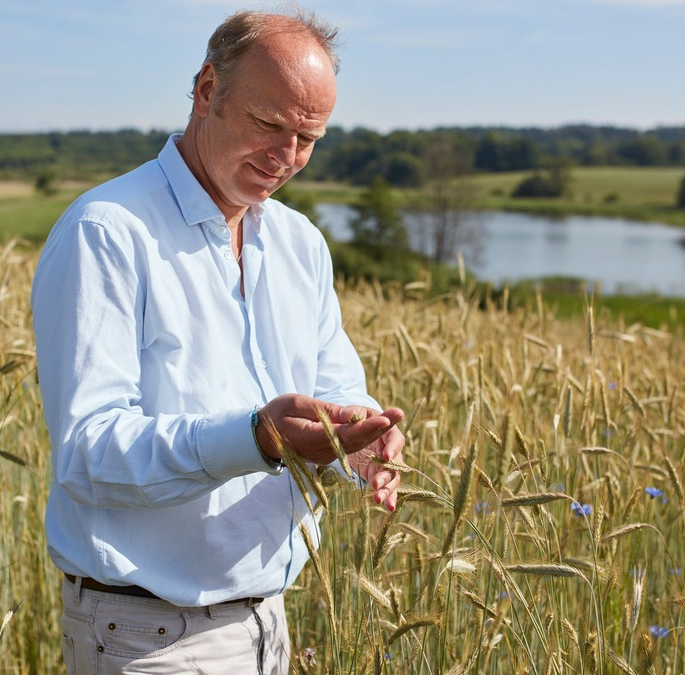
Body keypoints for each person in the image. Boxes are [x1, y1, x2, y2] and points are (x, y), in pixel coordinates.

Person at [31, 7, 406, 674]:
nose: (286, 157)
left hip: (269, 625)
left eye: (308, 138)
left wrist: (363, 438)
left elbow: (335, 389)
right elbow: (88, 452)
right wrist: (257, 439)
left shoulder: (302, 245)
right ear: (207, 89)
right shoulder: (109, 231)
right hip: (146, 636)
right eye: (269, 126)